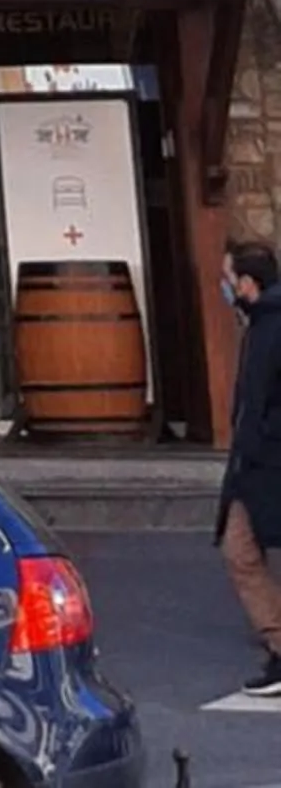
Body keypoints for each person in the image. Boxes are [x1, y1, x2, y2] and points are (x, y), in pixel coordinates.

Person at [218, 238, 281, 693]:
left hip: (267, 459)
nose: (225, 286)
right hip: (254, 462)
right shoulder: (260, 324)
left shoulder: (271, 326)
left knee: (242, 549)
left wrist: (260, 440)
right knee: (239, 549)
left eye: (228, 278)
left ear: (247, 282)